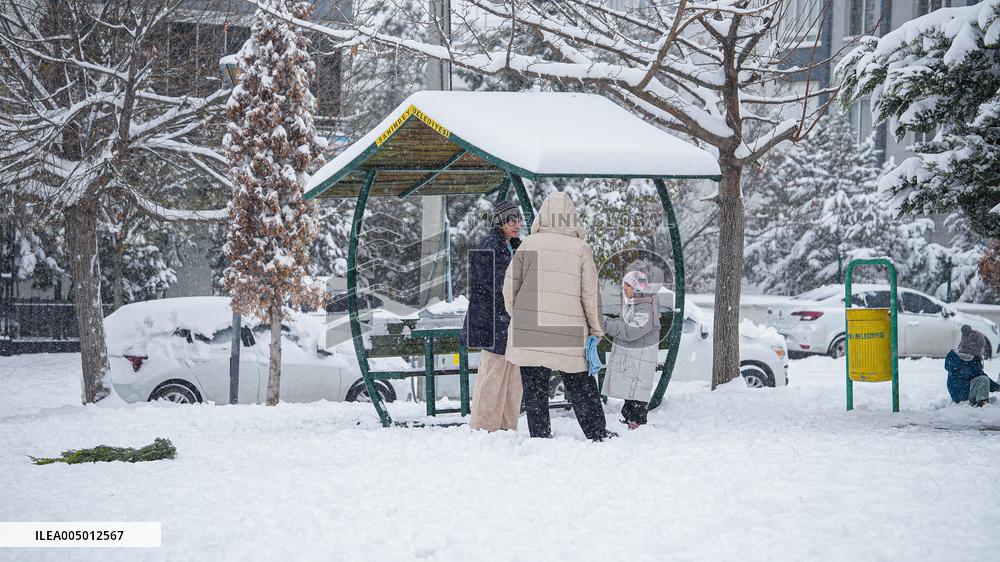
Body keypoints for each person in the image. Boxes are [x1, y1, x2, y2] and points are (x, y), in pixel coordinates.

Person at [503, 192, 616, 441]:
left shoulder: (529, 244)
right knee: (580, 384)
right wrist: (596, 330)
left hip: (530, 326)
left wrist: (519, 315)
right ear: (571, 217)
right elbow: (589, 295)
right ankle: (596, 432)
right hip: (568, 329)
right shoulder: (580, 249)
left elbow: (509, 287)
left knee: (534, 387)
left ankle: (540, 435)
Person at [463, 201, 524, 431]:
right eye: (511, 220)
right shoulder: (489, 247)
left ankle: (507, 424)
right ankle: (484, 424)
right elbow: (487, 286)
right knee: (493, 375)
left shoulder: (516, 247)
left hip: (509, 321)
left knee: (512, 376)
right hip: (492, 321)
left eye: (518, 220)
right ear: (500, 223)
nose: (516, 224)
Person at [601, 268, 660, 429]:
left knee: (637, 394)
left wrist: (605, 324)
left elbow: (630, 331)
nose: (624, 288)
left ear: (638, 288)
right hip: (633, 359)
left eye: (628, 285)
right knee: (631, 393)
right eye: (624, 285)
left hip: (640, 359)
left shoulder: (646, 308)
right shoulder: (635, 305)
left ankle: (637, 423)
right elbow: (623, 325)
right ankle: (631, 421)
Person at [945, 325, 999, 407]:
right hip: (961, 393)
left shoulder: (956, 356)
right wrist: (997, 387)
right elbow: (982, 377)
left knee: (979, 380)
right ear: (974, 348)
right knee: (983, 380)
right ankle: (982, 403)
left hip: (956, 391)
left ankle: (974, 398)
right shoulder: (969, 362)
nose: (982, 350)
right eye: (981, 348)